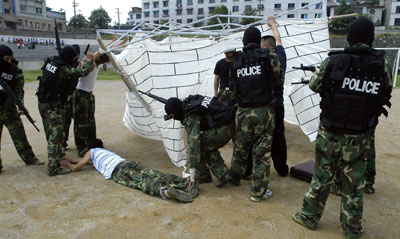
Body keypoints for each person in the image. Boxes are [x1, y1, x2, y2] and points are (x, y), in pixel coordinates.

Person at [292, 17, 392, 239]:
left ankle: (309, 217)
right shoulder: (381, 64)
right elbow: (384, 91)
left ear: (350, 37)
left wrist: (321, 72)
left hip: (330, 133)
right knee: (353, 186)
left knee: (321, 177)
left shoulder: (334, 62)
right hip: (359, 137)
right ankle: (352, 228)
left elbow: (314, 85)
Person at [218, 26, 284, 202]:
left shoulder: (236, 60)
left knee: (241, 148)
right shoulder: (269, 56)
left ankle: (235, 177)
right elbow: (279, 79)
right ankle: (258, 192)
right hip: (263, 111)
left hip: (242, 112)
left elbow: (232, 88)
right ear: (259, 39)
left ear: (244, 41)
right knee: (261, 153)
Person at [61, 138, 194, 203]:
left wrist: (68, 165)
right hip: (127, 162)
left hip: (118, 170)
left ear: (89, 149)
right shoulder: (104, 152)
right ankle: (186, 182)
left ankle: (164, 191)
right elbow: (85, 162)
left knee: (142, 182)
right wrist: (71, 160)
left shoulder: (92, 151)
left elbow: (80, 164)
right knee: (154, 174)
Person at [37, 45, 93, 176]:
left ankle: (58, 157)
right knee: (55, 137)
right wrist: (89, 59)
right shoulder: (63, 68)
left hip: (44, 102)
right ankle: (53, 168)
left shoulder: (52, 63)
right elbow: (83, 72)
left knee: (51, 133)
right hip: (52, 105)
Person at [164, 94, 236, 188]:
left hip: (226, 126)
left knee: (200, 144)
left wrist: (192, 174)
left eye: (173, 116)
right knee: (207, 143)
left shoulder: (191, 115)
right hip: (228, 120)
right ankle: (220, 174)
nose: (174, 118)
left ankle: (209, 175)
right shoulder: (189, 103)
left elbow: (193, 144)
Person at [73, 36, 128, 157]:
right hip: (85, 95)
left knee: (84, 122)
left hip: (83, 95)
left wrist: (117, 41)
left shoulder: (90, 62)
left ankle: (87, 146)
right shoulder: (93, 63)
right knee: (86, 122)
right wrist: (119, 41)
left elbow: (104, 50)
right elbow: (106, 49)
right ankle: (84, 147)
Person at [0, 45, 44, 173]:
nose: (9, 62)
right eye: (6, 59)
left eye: (11, 58)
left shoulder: (15, 71)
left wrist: (21, 106)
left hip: (9, 109)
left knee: (19, 135)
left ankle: (29, 158)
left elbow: (19, 91)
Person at [260, 16, 289, 177]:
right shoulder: (281, 58)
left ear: (266, 46)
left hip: (265, 105)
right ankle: (281, 168)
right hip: (278, 104)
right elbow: (279, 40)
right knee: (279, 136)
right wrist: (273, 25)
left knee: (262, 137)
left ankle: (258, 170)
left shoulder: (260, 61)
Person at [61, 44, 81, 153]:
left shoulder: (77, 64)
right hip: (68, 96)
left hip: (73, 95)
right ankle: (64, 142)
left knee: (73, 121)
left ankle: (78, 143)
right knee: (66, 121)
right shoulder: (65, 65)